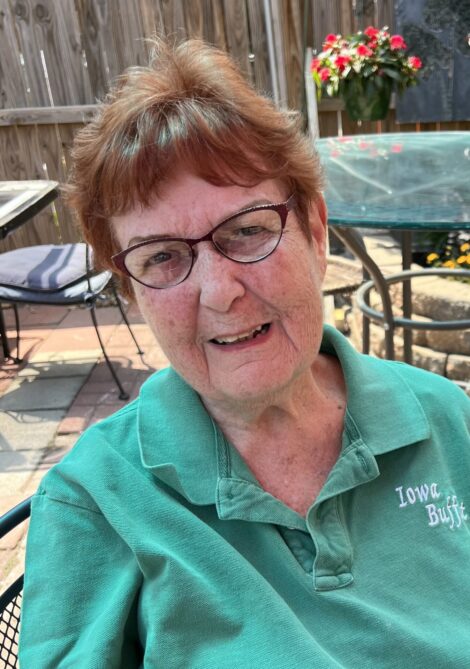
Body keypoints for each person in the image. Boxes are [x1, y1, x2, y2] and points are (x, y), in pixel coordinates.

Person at [19, 37, 470, 669]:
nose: (219, 293)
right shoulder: (97, 498)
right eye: (163, 257)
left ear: (314, 230)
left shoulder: (448, 420)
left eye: (248, 230)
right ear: (131, 289)